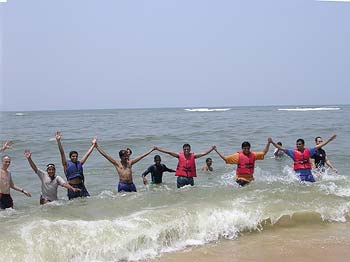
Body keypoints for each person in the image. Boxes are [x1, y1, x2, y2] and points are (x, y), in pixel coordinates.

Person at [269, 135, 336, 182]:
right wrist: (272, 142)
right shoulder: (292, 152)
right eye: (297, 144)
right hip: (299, 175)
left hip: (309, 174)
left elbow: (320, 146)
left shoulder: (309, 151)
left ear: (303, 145)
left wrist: (329, 140)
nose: (298, 145)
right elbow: (281, 148)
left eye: (299, 144)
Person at [56, 131, 96, 200]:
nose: (75, 157)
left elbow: (87, 154)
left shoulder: (79, 163)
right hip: (72, 186)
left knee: (86, 201)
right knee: (73, 203)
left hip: (81, 186)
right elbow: (62, 153)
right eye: (73, 156)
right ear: (70, 157)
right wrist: (58, 141)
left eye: (76, 156)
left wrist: (93, 145)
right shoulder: (66, 164)